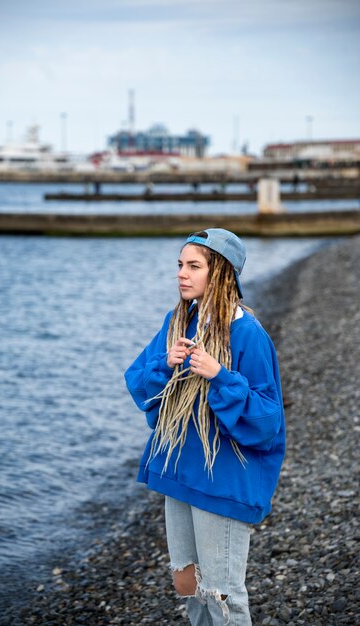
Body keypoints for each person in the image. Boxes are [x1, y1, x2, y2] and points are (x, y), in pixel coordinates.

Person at [124, 228, 285, 625]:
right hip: (180, 468)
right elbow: (138, 380)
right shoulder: (179, 320)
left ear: (222, 274)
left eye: (194, 266)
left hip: (224, 478)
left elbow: (267, 420)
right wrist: (167, 364)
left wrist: (219, 376)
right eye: (180, 265)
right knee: (188, 585)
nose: (182, 273)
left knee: (222, 593)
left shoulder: (247, 333)